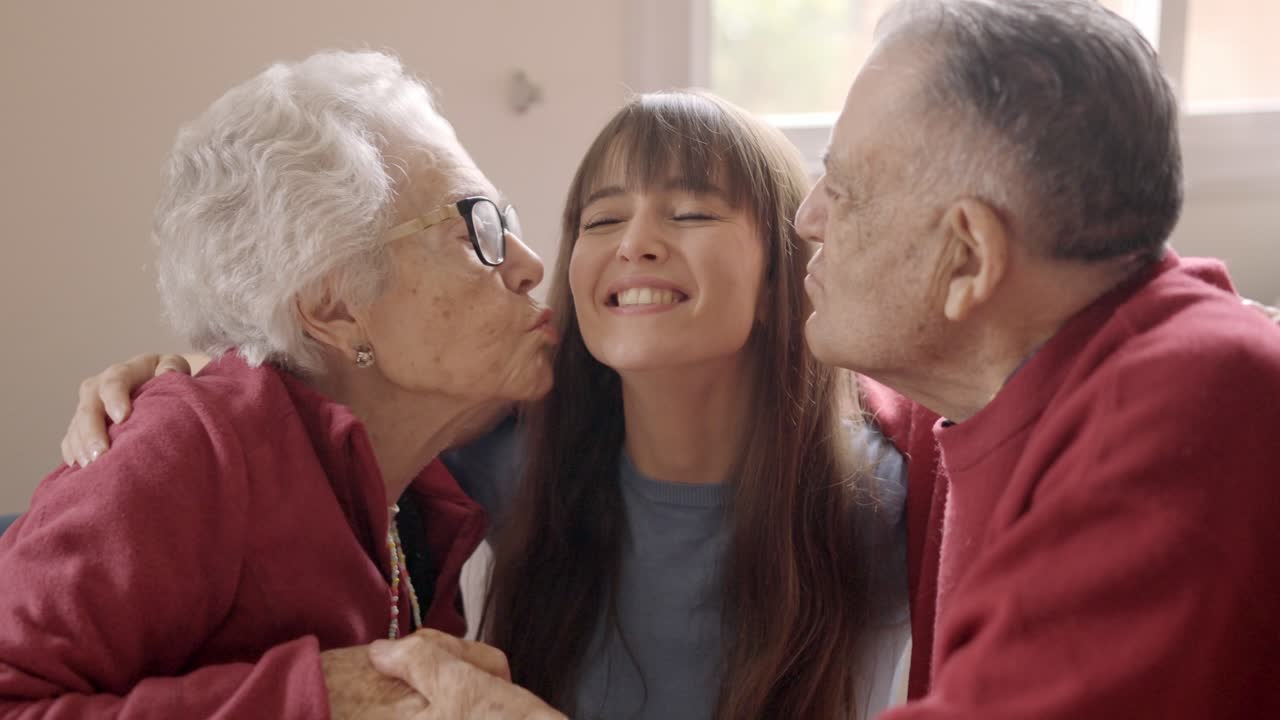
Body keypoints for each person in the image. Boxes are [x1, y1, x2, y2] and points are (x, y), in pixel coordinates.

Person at [59, 91, 914, 719]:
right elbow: (318, 402)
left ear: (782, 276)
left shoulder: (886, 494)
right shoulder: (505, 450)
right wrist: (194, 373)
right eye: (602, 219)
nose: (638, 243)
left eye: (689, 211)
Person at [0, 50, 561, 718]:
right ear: (333, 306)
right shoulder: (188, 452)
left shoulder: (425, 484)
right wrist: (316, 701)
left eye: (509, 222)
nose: (529, 265)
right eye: (477, 229)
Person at [794, 1, 1280, 717]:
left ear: (968, 258)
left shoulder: (1201, 404)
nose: (808, 219)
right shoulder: (976, 381)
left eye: (843, 191)